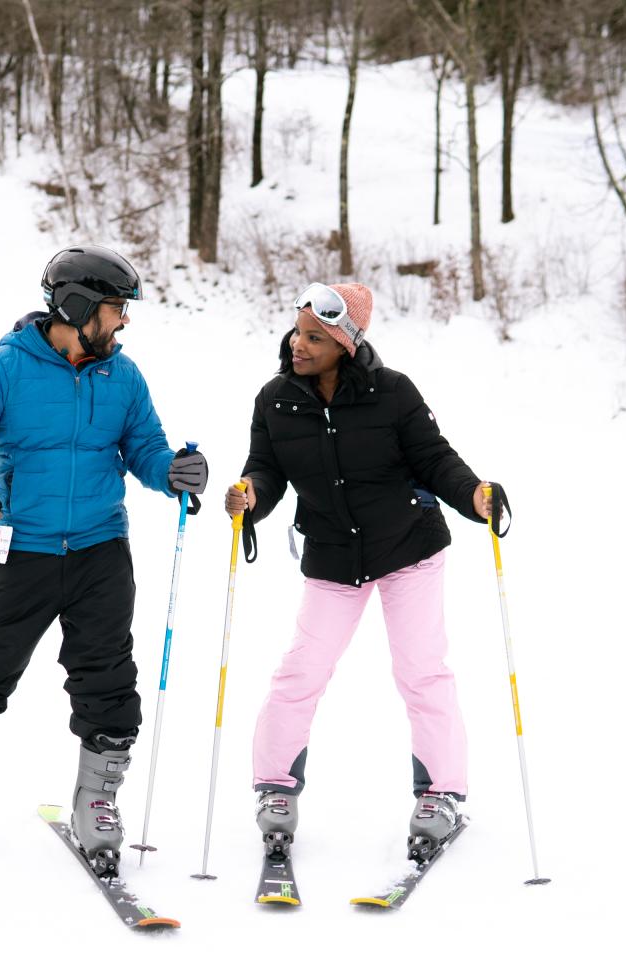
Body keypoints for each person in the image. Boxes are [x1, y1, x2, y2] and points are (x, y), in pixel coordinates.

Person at [0, 244, 209, 876]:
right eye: (116, 308)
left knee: (107, 678)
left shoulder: (123, 376)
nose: (123, 320)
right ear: (77, 305)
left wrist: (171, 471)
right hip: (24, 550)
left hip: (101, 550)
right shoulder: (6, 368)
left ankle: (97, 800)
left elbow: (145, 448)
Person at [223, 281, 497, 863]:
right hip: (333, 556)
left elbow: (434, 458)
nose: (298, 344)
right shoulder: (275, 399)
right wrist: (250, 495)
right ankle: (275, 788)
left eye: (315, 338)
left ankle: (441, 793)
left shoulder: (392, 392)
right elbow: (265, 469)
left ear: (345, 344)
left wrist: (475, 495)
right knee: (300, 672)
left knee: (421, 671)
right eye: (298, 332)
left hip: (408, 549)